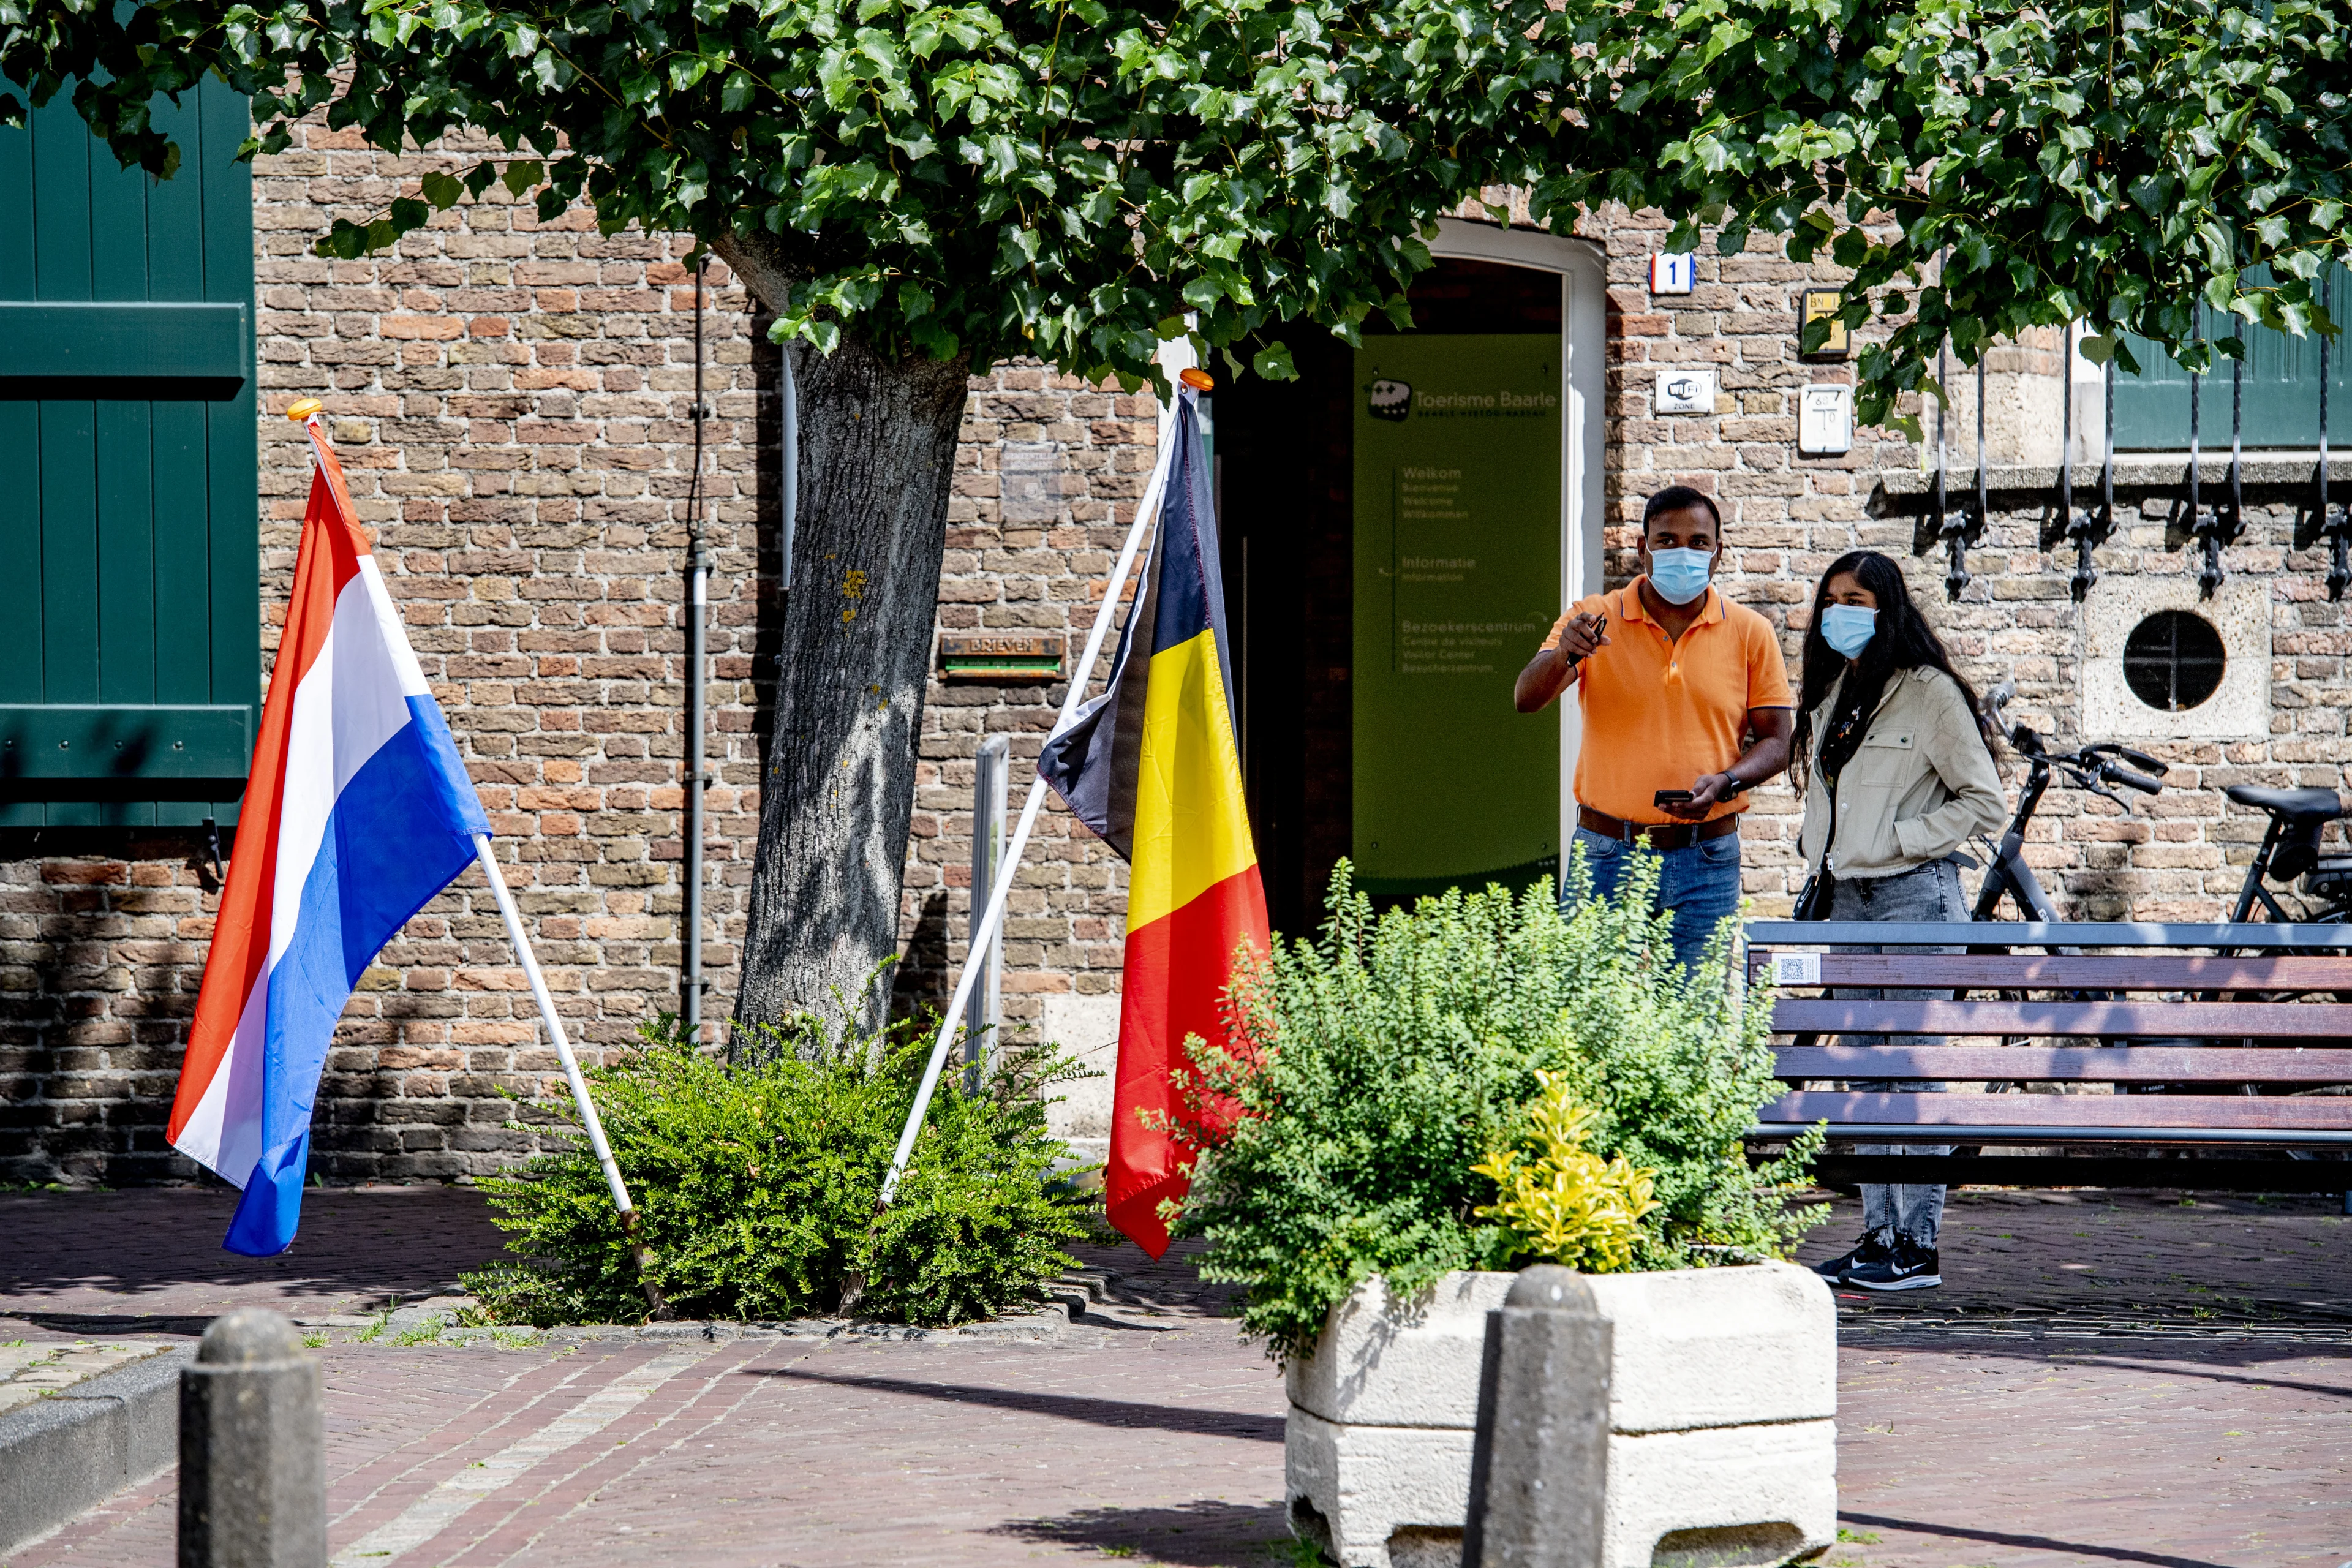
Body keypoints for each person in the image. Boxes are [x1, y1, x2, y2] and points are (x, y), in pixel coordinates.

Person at [1793, 550, 2007, 1293]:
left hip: (1917, 897)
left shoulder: (1930, 694)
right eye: (1831, 598)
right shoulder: (1836, 692)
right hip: (1850, 902)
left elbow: (1984, 802)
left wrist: (1902, 841)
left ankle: (1919, 1244)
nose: (1839, 610)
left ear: (1889, 608)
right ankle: (1879, 1234)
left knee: (1912, 1071)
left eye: (1856, 598)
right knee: (1863, 1073)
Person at [1515, 485, 1794, 973]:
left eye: (1697, 542)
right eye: (1666, 540)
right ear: (1642, 548)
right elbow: (1526, 698)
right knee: (1588, 1015)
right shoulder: (1595, 619)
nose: (1681, 553)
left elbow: (1779, 740)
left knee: (1695, 1019)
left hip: (1707, 855)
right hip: (1607, 850)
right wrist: (1566, 653)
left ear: (1717, 553)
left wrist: (1727, 782)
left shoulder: (1750, 631)